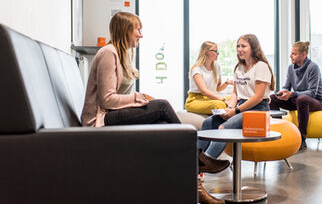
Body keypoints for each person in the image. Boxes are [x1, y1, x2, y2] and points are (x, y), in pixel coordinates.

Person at [80, 12, 227, 204]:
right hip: (99, 120)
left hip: (111, 114)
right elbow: (107, 100)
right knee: (163, 106)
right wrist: (137, 98)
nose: (141, 35)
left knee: (163, 121)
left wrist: (141, 97)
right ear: (125, 31)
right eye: (138, 30)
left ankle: (190, 182)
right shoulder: (109, 53)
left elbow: (118, 95)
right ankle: (197, 158)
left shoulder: (122, 53)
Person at [198, 34, 275, 158]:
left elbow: (258, 97)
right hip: (240, 107)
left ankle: (206, 162)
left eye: (244, 46)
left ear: (253, 48)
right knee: (208, 123)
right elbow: (235, 93)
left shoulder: (261, 66)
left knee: (223, 128)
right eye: (238, 46)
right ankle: (195, 163)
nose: (240, 49)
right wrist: (229, 107)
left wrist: (236, 110)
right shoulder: (239, 67)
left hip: (258, 109)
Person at [270, 41, 322, 151]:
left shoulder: (313, 67)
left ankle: (301, 139)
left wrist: (292, 94)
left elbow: (312, 92)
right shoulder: (291, 68)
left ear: (303, 55)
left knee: (302, 99)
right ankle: (280, 133)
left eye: (294, 54)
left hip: (316, 101)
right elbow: (286, 86)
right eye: (291, 53)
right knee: (272, 98)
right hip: (299, 100)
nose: (290, 56)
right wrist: (283, 93)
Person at [185, 41, 233, 115]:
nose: (218, 53)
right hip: (195, 100)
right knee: (219, 104)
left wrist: (226, 83)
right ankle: (223, 121)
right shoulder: (197, 68)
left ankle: (229, 117)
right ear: (207, 52)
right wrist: (223, 99)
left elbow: (218, 89)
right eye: (215, 51)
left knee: (233, 99)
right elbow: (204, 91)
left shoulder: (217, 66)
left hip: (210, 98)